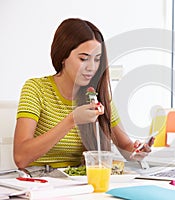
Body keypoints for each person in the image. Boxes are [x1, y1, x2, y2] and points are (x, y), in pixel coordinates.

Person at [13, 18, 154, 169]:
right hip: (40, 181)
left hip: (80, 182)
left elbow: (125, 146)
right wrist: (72, 120)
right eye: (83, 59)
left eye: (97, 60)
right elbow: (20, 157)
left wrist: (137, 151)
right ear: (63, 56)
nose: (91, 67)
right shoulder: (36, 89)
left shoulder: (97, 96)